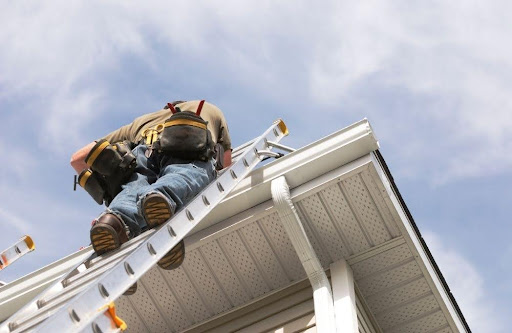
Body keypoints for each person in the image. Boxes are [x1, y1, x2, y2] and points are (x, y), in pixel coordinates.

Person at [71, 100, 232, 275]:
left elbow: (78, 158)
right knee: (183, 174)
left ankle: (113, 221)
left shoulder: (139, 123)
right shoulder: (209, 109)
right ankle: (161, 199)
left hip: (142, 152)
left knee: (132, 189)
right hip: (189, 143)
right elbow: (226, 169)